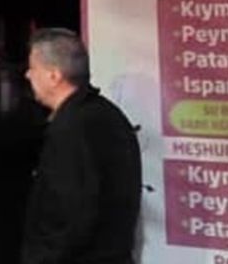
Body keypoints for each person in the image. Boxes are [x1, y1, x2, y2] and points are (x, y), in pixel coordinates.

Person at [22, 28, 141, 264]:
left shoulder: (73, 127)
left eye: (33, 68)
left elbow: (71, 212)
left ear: (54, 76)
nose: (27, 75)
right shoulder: (107, 113)